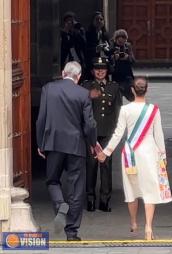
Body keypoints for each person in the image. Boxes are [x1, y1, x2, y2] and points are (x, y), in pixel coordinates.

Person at [97, 77, 172, 240]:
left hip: (131, 154)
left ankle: (133, 223)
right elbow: (159, 135)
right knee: (150, 190)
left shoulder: (125, 109)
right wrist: (163, 157)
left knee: (132, 190)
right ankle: (148, 228)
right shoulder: (154, 110)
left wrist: (106, 152)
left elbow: (118, 134)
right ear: (147, 89)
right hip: (149, 153)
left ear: (132, 90)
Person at [36, 61, 97, 241]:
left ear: (63, 73)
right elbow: (90, 124)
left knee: (52, 180)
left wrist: (40, 143)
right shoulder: (83, 94)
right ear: (78, 77)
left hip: (53, 143)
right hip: (76, 145)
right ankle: (72, 232)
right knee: (76, 187)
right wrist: (93, 143)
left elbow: (41, 119)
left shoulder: (48, 89)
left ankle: (60, 204)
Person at [82, 57, 122, 212]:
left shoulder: (114, 87)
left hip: (107, 133)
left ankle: (105, 200)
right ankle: (90, 199)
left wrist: (116, 131)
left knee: (105, 166)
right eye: (97, 68)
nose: (100, 71)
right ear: (93, 71)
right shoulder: (86, 86)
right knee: (91, 166)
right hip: (91, 133)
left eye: (103, 68)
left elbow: (118, 110)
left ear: (107, 71)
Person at [110, 29, 135, 101]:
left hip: (127, 75)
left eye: (123, 38)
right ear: (116, 39)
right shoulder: (112, 47)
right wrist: (114, 57)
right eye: (119, 38)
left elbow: (133, 60)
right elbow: (108, 59)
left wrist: (127, 57)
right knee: (117, 99)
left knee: (132, 96)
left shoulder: (128, 46)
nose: (121, 40)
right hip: (117, 75)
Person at [85, 11, 110, 79]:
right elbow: (86, 49)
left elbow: (109, 49)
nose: (99, 21)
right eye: (97, 19)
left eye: (101, 19)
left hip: (104, 63)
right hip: (93, 63)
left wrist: (107, 48)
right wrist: (96, 49)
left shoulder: (105, 34)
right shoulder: (88, 34)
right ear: (93, 21)